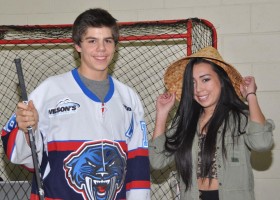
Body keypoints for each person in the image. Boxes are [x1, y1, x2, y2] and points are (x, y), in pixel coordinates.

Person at [1, 8, 150, 200]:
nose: (101, 49)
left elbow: (137, 165)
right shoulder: (49, 91)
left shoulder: (129, 98)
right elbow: (18, 155)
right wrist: (28, 131)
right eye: (92, 41)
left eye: (108, 41)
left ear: (115, 45)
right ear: (77, 46)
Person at [149, 46, 274, 200]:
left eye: (205, 79)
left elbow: (262, 143)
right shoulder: (186, 122)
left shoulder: (241, 118)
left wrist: (251, 95)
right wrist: (161, 115)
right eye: (192, 83)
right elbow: (157, 161)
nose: (199, 89)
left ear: (221, 80)